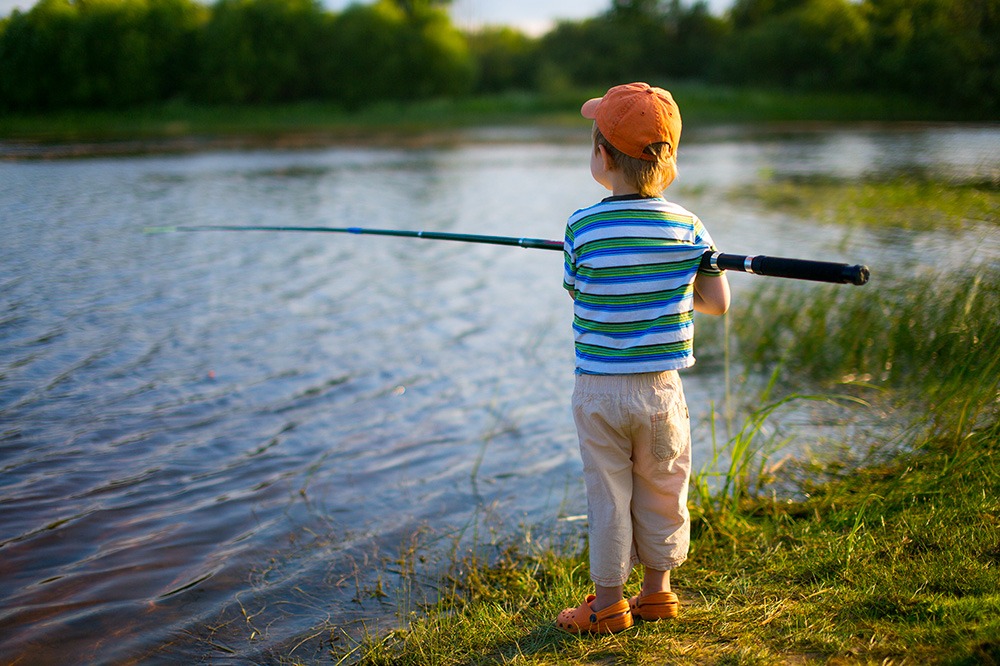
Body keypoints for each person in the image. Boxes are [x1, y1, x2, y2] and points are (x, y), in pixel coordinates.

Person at [556, 82, 731, 634]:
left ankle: (608, 604)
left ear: (602, 156)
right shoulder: (688, 227)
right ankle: (658, 593)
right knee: (664, 486)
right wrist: (689, 275)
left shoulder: (581, 227)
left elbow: (576, 289)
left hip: (600, 390)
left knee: (608, 493)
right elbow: (717, 305)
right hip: (661, 390)